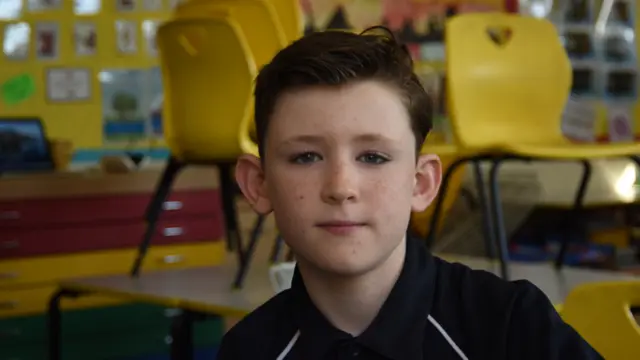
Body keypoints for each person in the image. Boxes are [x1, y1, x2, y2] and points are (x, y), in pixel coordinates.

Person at [219, 26, 602, 359]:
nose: (341, 188)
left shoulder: (511, 325)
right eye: (305, 157)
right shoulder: (249, 349)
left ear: (421, 183)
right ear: (259, 184)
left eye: (372, 156)